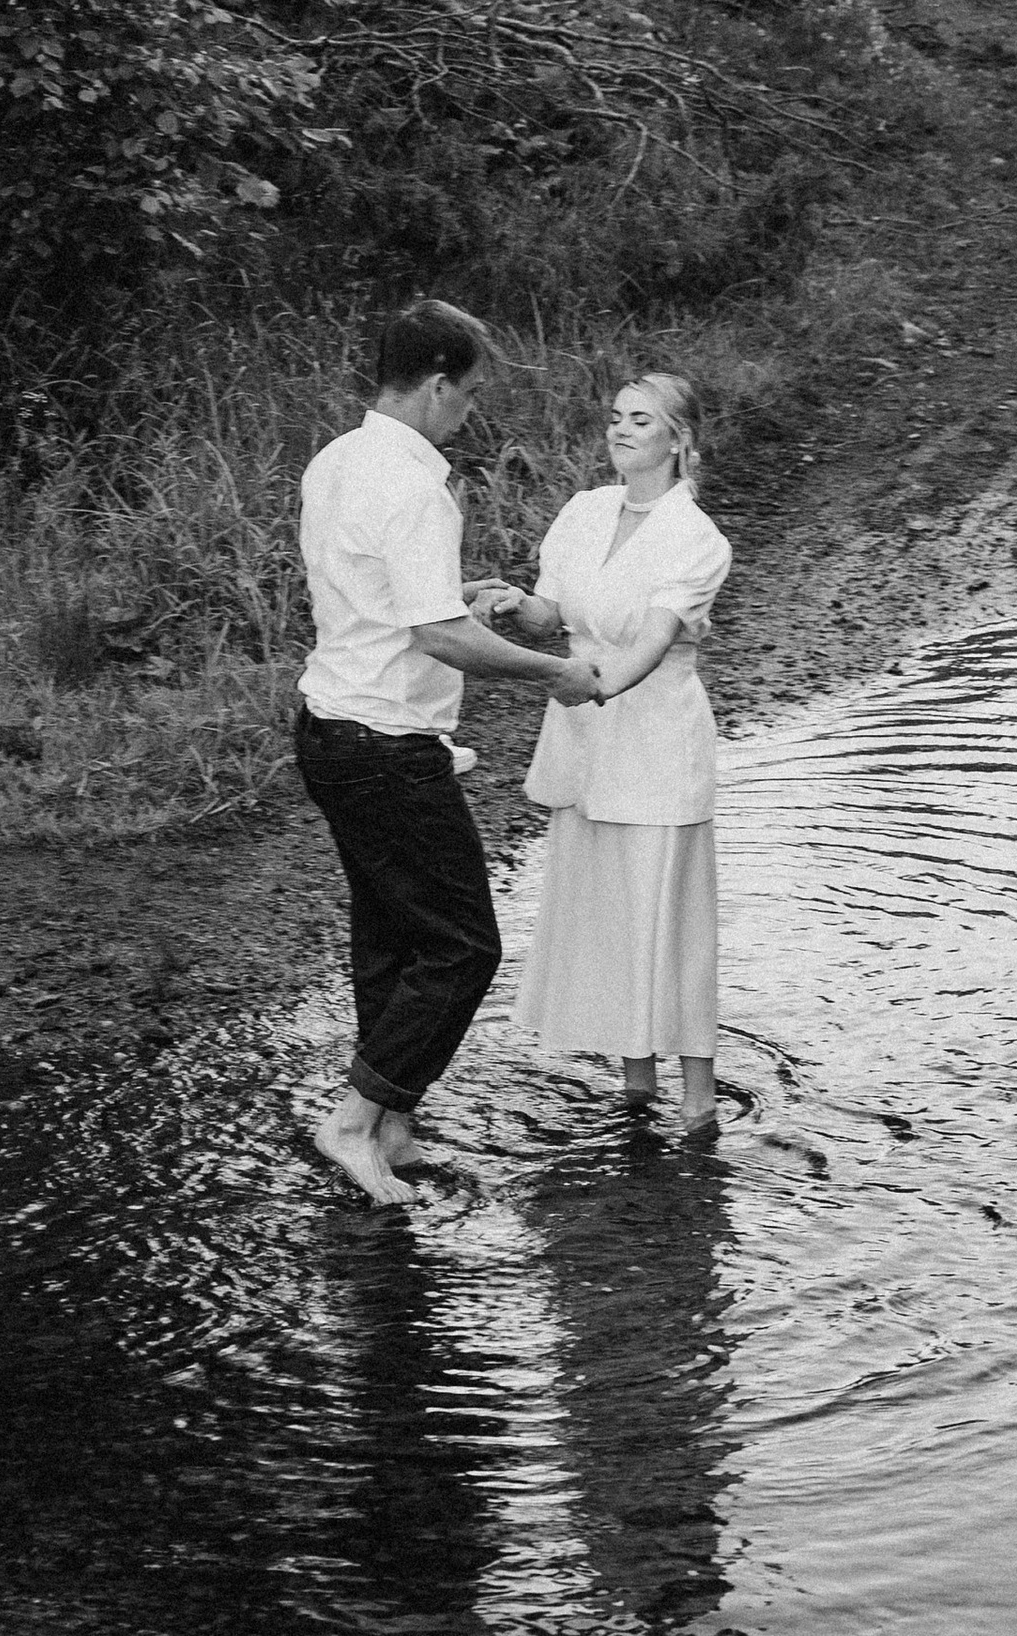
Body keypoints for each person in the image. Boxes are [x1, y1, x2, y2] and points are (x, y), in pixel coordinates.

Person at [294, 298, 614, 1206]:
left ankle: (391, 1127)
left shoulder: (338, 459)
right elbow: (438, 640)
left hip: (329, 725)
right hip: (385, 744)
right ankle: (355, 1122)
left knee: (393, 933)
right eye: (469, 395)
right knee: (465, 947)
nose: (469, 412)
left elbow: (375, 593)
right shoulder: (413, 486)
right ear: (436, 385)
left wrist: (456, 594)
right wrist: (553, 670)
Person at [495, 370, 731, 1139]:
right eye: (616, 419)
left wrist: (586, 685)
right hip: (587, 740)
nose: (620, 431)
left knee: (668, 916)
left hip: (657, 742)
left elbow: (655, 641)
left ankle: (697, 1100)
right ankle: (636, 1089)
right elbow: (554, 613)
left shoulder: (696, 540)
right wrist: (512, 608)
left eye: (640, 420)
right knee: (607, 912)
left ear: (678, 438)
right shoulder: (585, 511)